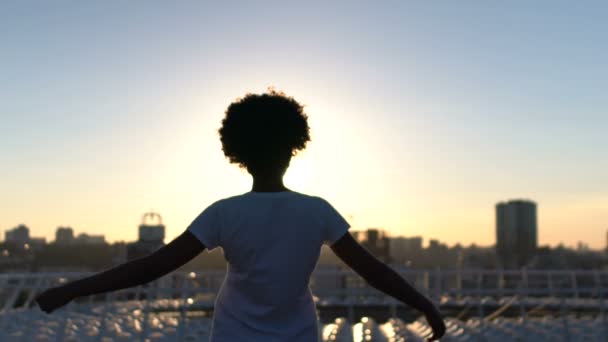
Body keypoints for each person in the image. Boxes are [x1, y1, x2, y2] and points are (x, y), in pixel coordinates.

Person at [35, 90, 446, 341]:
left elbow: (150, 268)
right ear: (293, 148)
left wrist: (72, 289)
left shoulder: (223, 214)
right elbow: (373, 270)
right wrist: (423, 304)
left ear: (239, 155)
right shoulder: (318, 212)